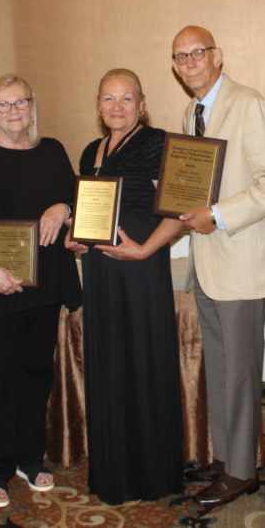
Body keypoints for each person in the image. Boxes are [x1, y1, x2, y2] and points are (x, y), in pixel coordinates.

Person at [170, 26, 265, 507]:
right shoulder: (192, 111)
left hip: (242, 262)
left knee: (240, 371)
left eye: (197, 53)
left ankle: (242, 471)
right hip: (210, 264)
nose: (189, 63)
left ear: (218, 56)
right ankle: (227, 456)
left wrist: (217, 215)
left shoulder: (250, 104)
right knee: (221, 368)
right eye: (180, 57)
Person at [0, 75, 81, 509]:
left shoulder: (53, 151)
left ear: (31, 105)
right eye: (2, 105)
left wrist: (62, 207)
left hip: (42, 287)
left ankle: (30, 456)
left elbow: (75, 197)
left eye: (20, 102)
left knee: (36, 373)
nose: (12, 111)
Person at [66, 68, 184, 504]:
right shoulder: (90, 151)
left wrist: (146, 249)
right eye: (108, 98)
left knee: (143, 361)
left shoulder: (157, 143)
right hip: (100, 274)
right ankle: (115, 473)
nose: (117, 107)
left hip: (139, 271)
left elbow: (179, 207)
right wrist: (75, 237)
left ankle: (152, 475)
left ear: (142, 102)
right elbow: (86, 214)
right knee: (110, 363)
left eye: (126, 98)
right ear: (98, 105)